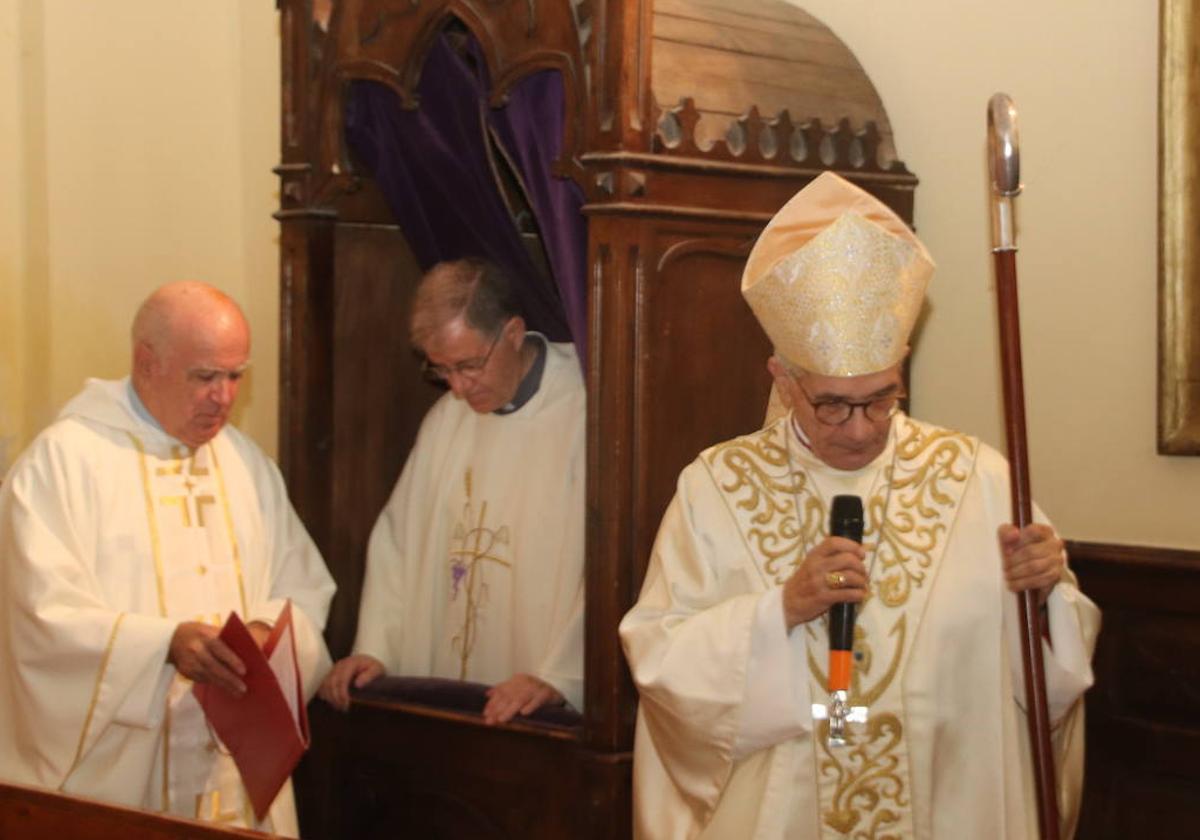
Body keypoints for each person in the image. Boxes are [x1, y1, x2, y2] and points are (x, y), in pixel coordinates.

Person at [618, 172, 1100, 839]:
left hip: (949, 807)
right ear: (782, 380)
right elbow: (661, 660)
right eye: (832, 405)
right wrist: (780, 610)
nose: (861, 428)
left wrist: (1045, 592)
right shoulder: (717, 489)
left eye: (882, 398)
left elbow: (1052, 677)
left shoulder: (978, 478)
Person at [0, 282, 336, 835]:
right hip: (119, 781)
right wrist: (162, 645)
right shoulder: (65, 463)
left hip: (233, 771)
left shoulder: (246, 465)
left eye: (235, 376)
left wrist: (261, 632)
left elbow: (304, 589)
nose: (224, 397)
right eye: (205, 376)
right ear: (146, 363)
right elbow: (36, 617)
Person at [319, 257, 585, 725]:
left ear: (514, 333)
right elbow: (398, 545)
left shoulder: (586, 409)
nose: (458, 389)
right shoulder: (445, 421)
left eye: (469, 365)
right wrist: (377, 649)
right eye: (442, 370)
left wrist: (561, 677)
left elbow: (608, 569)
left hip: (540, 710)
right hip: (450, 711)